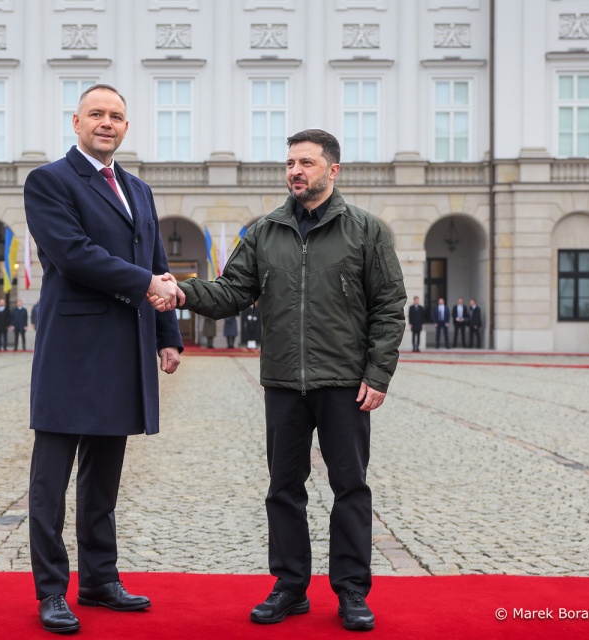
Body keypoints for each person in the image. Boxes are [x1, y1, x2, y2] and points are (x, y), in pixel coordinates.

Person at [152, 129, 405, 632]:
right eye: (289, 163)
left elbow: (389, 307)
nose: (295, 171)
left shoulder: (366, 231)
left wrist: (378, 374)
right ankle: (290, 587)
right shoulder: (265, 231)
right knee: (284, 489)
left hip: (343, 383)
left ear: (333, 170)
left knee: (349, 487)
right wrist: (180, 294)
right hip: (285, 383)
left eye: (306, 163)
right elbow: (230, 291)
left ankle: (352, 591)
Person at [24, 83, 183, 634]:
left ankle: (98, 578)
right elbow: (72, 254)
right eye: (97, 114)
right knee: (51, 482)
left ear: (126, 127)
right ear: (76, 121)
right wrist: (147, 285)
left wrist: (167, 332)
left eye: (116, 115)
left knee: (104, 479)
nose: (107, 123)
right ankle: (51, 591)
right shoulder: (50, 181)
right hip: (72, 353)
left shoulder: (138, 189)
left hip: (124, 347)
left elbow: (156, 259)